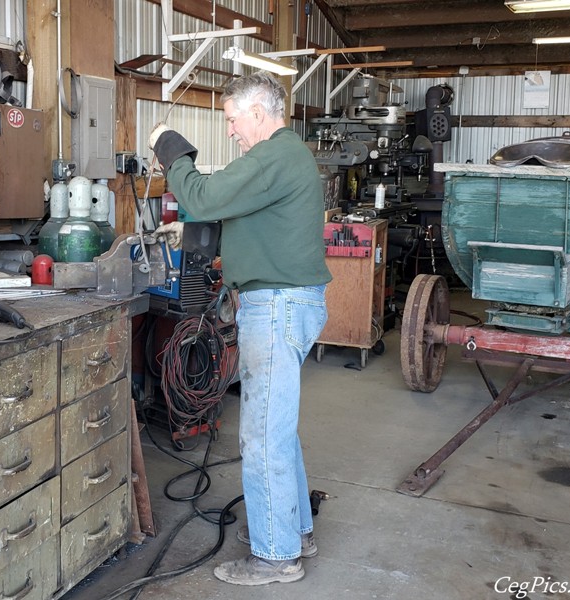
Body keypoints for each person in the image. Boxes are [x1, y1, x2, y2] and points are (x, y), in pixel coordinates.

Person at [148, 71, 332, 586]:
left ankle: (276, 557)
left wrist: (170, 149)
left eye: (231, 120)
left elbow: (202, 200)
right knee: (277, 428)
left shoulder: (273, 154)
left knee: (263, 435)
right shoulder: (285, 156)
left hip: (276, 306)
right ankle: (295, 529)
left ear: (257, 112)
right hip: (280, 301)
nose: (230, 131)